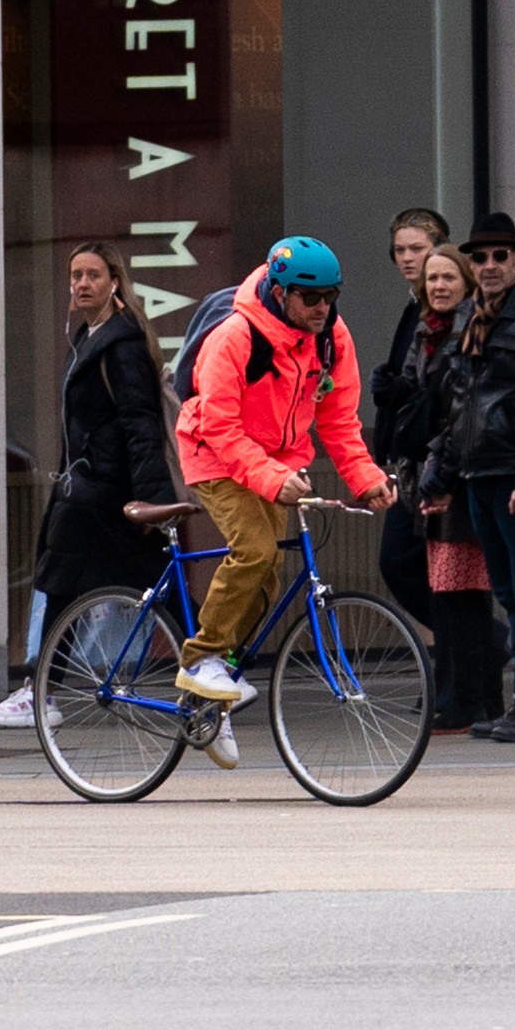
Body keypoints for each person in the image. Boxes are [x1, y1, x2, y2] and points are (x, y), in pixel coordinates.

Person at [172, 236, 396, 767]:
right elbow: (221, 428)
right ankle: (200, 659)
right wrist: (271, 477)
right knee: (255, 551)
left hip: (276, 461)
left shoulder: (332, 339)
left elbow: (339, 420)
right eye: (310, 297)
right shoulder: (235, 337)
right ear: (279, 291)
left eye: (332, 296)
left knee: (268, 578)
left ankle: (211, 694)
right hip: (215, 455)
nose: (322, 308)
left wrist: (365, 478)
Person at [0, 243, 177, 730]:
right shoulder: (93, 335)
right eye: (75, 275)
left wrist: (152, 498)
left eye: (92, 274)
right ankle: (212, 666)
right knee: (113, 582)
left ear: (115, 281)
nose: (81, 283)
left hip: (102, 491)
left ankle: (40, 690)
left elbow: (140, 423)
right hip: (93, 487)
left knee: (68, 581)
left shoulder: (121, 344)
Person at [420, 212, 515, 743]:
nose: (489, 265)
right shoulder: (471, 320)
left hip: (514, 477)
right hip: (478, 475)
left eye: (500, 256)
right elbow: (457, 407)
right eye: (480, 257)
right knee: (509, 593)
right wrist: (440, 474)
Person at [410, 244, 505, 733]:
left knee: (461, 595)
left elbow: (460, 412)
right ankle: (479, 700)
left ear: (467, 283)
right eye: (432, 279)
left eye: (449, 277)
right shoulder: (428, 333)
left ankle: (468, 701)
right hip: (443, 471)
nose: (439, 286)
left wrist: (439, 476)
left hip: (457, 478)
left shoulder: (470, 332)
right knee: (455, 594)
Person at [370, 208, 448, 633]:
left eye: (417, 248)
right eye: (399, 250)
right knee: (415, 566)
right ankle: (471, 657)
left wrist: (399, 391)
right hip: (411, 459)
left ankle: (483, 648)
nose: (406, 257)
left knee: (410, 563)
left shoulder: (442, 310)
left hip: (432, 459)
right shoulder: (413, 309)